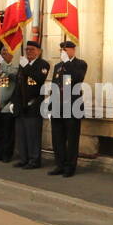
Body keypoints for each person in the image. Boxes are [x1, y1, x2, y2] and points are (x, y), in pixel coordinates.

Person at [48, 40, 87, 177]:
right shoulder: (58, 66)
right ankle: (60, 165)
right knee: (57, 139)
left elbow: (78, 78)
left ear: (72, 50)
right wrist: (50, 106)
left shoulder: (80, 64)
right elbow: (54, 86)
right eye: (61, 51)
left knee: (72, 140)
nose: (62, 53)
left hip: (72, 108)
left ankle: (70, 167)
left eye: (65, 50)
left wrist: (68, 64)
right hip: (57, 108)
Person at [12, 39, 48, 169]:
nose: (29, 52)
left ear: (38, 51)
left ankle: (34, 160)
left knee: (33, 135)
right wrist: (13, 102)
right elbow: (18, 84)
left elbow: (39, 79)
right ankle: (23, 158)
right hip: (21, 106)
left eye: (32, 50)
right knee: (21, 135)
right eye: (27, 49)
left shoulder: (43, 64)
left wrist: (27, 66)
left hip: (34, 106)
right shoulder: (23, 65)